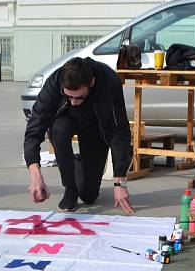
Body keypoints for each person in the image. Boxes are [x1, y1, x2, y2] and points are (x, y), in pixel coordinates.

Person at [23, 57, 134, 213]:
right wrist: (35, 175)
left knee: (89, 196)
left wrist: (119, 182)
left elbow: (119, 131)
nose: (73, 102)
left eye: (79, 97)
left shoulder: (109, 82)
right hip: (65, 121)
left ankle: (76, 162)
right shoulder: (54, 83)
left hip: (95, 128)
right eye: (68, 97)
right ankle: (70, 187)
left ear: (92, 83)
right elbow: (34, 129)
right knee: (59, 130)